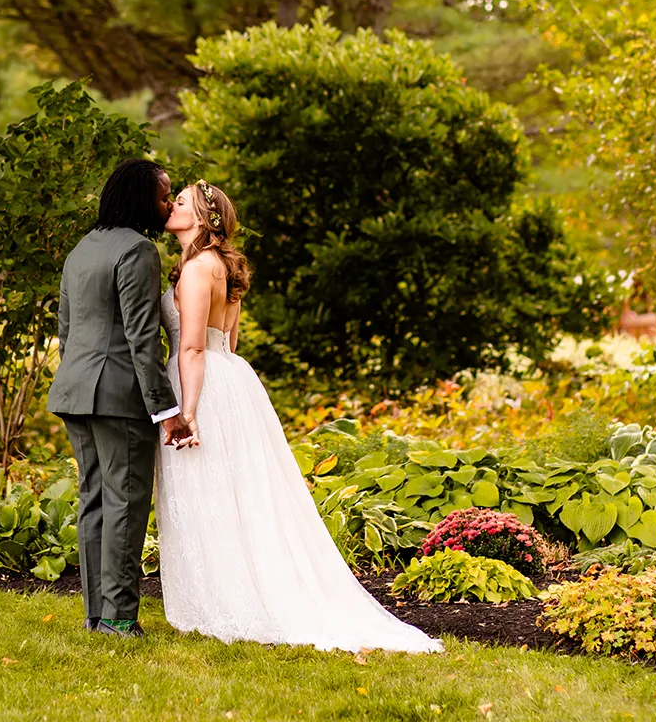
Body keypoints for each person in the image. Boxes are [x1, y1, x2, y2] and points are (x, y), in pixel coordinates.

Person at [154, 180, 441, 653]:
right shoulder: (223, 266)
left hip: (200, 385)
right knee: (238, 493)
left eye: (180, 202)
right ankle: (234, 588)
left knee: (208, 489)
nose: (172, 206)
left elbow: (190, 346)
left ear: (202, 218)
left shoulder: (195, 271)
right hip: (233, 380)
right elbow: (229, 341)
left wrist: (187, 411)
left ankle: (226, 597)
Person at [48, 158, 192, 637]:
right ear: (140, 200)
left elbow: (66, 333)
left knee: (94, 500)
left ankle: (96, 616)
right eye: (162, 195)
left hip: (73, 392)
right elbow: (142, 337)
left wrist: (80, 380)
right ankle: (119, 618)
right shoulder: (137, 251)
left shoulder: (81, 250)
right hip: (118, 397)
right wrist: (166, 409)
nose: (168, 203)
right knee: (126, 502)